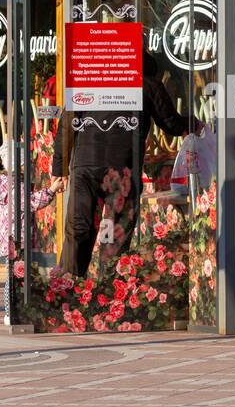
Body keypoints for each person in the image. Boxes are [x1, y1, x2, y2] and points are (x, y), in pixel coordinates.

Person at [50, 46, 191, 277]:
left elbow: (67, 123)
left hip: (87, 166)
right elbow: (172, 124)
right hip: (123, 168)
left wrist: (60, 167)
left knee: (79, 230)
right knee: (116, 233)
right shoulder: (148, 84)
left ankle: (70, 288)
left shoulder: (90, 82)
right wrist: (193, 122)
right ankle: (108, 291)